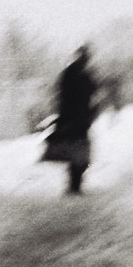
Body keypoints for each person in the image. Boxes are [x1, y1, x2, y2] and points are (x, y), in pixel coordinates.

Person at [45, 46, 97, 195]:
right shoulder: (78, 73)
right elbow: (88, 92)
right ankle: (75, 185)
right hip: (76, 119)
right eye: (85, 57)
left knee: (77, 152)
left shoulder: (75, 73)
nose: (86, 59)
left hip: (75, 119)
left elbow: (61, 95)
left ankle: (74, 184)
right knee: (78, 152)